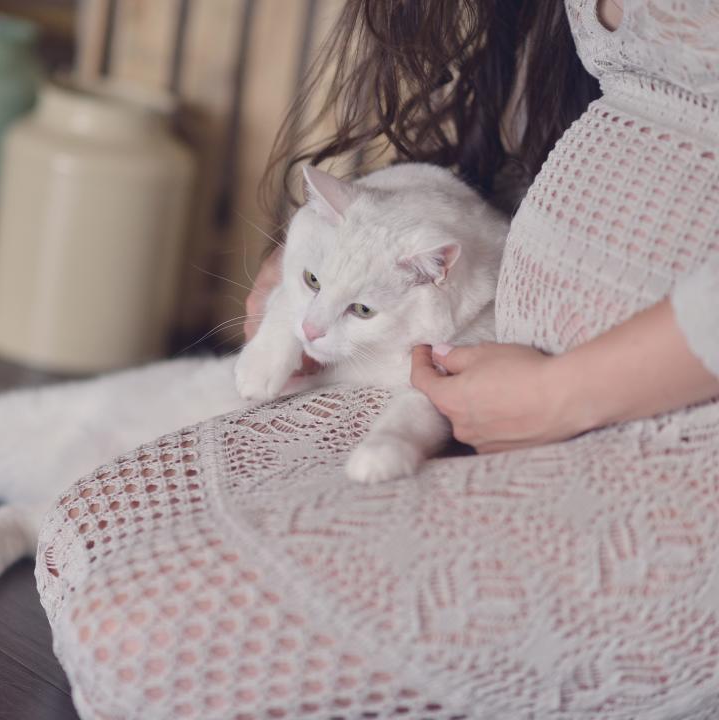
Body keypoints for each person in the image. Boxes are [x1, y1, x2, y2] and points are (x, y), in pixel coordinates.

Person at [37, 1, 719, 717]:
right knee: (80, 533)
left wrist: (561, 392)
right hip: (492, 379)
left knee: (132, 638)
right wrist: (333, 253)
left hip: (658, 427)